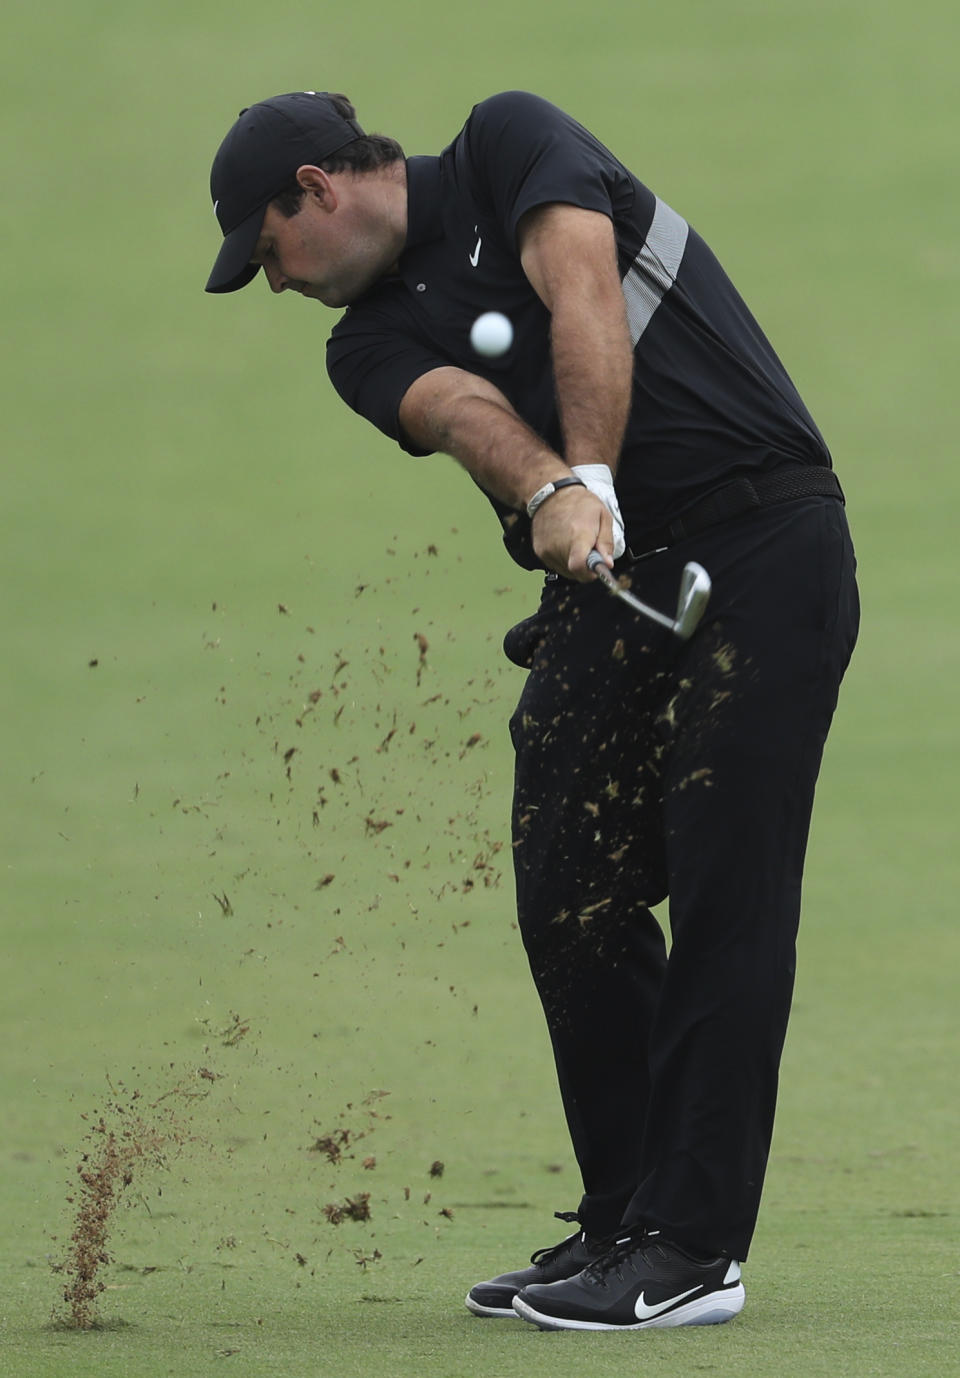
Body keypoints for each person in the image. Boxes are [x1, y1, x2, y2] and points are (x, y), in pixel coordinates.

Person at [204, 89, 859, 1331]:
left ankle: (693, 1249)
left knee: (730, 893)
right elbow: (465, 413)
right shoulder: (359, 346)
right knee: (567, 883)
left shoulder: (510, 146)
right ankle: (624, 1216)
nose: (275, 286)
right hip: (614, 589)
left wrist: (592, 477)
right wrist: (553, 487)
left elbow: (584, 291)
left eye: (267, 252)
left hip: (765, 544)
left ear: (318, 186)